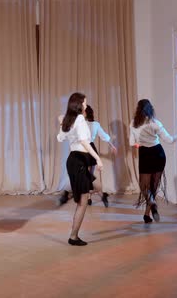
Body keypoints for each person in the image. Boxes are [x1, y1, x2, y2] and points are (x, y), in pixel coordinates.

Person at [57, 93, 103, 246]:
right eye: (85, 102)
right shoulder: (79, 119)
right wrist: (97, 158)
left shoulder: (70, 120)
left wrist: (61, 124)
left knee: (98, 187)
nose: (86, 105)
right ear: (79, 104)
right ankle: (73, 236)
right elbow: (84, 141)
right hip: (79, 162)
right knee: (82, 202)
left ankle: (70, 194)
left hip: (74, 161)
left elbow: (60, 138)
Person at [129, 99, 177, 223]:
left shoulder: (134, 123)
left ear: (138, 109)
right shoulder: (155, 123)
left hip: (145, 154)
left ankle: (149, 209)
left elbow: (132, 143)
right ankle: (148, 213)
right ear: (150, 109)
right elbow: (169, 140)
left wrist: (141, 144)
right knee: (153, 186)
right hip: (158, 154)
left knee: (144, 186)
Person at [58, 105, 116, 207]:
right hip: (88, 149)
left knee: (87, 176)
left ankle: (88, 196)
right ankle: (100, 195)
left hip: (84, 150)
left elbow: (103, 136)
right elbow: (104, 137)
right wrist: (112, 145)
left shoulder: (81, 124)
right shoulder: (92, 124)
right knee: (87, 175)